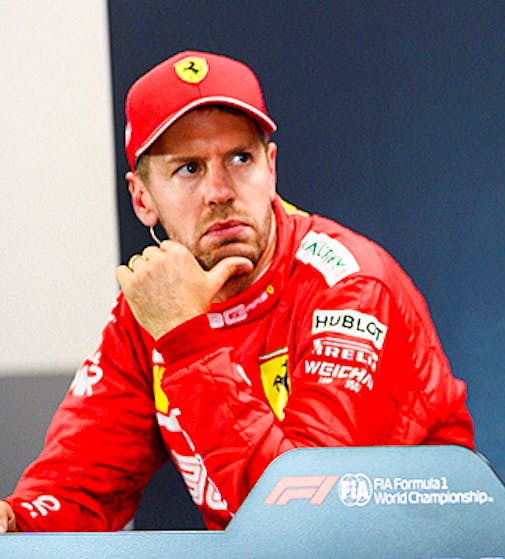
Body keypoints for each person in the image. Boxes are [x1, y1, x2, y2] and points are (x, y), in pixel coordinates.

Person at [0, 50, 474, 532]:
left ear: (271, 168)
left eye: (240, 159)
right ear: (143, 199)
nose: (220, 191)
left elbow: (308, 521)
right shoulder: (154, 309)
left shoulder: (348, 287)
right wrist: (16, 522)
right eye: (189, 168)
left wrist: (186, 343)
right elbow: (77, 487)